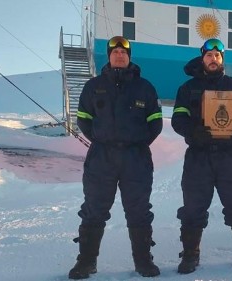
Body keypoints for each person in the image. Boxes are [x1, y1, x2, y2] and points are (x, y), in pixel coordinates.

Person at [68, 36, 163, 279]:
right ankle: (86, 262)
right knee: (94, 210)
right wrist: (103, 140)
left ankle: (144, 262)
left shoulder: (146, 87)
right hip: (102, 157)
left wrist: (136, 144)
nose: (120, 55)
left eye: (124, 52)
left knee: (139, 210)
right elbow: (83, 120)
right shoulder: (93, 86)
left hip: (136, 158)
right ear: (109, 56)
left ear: (129, 57)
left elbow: (155, 124)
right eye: (115, 51)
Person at [171, 38, 232, 274]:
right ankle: (190, 254)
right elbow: (177, 120)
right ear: (203, 58)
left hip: (229, 156)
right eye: (209, 56)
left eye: (218, 56)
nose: (213, 59)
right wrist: (193, 132)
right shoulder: (187, 88)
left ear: (222, 60)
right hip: (198, 156)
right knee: (193, 207)